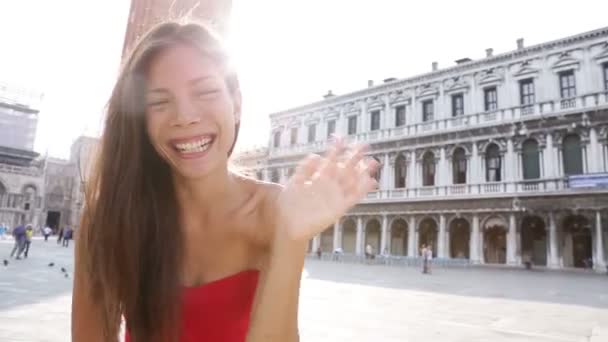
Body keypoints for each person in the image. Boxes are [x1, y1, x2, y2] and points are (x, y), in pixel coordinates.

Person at [71, 21, 378, 342]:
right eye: (159, 102)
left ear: (237, 104)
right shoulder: (111, 218)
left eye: (205, 92)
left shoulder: (276, 212)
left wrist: (291, 239)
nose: (185, 116)